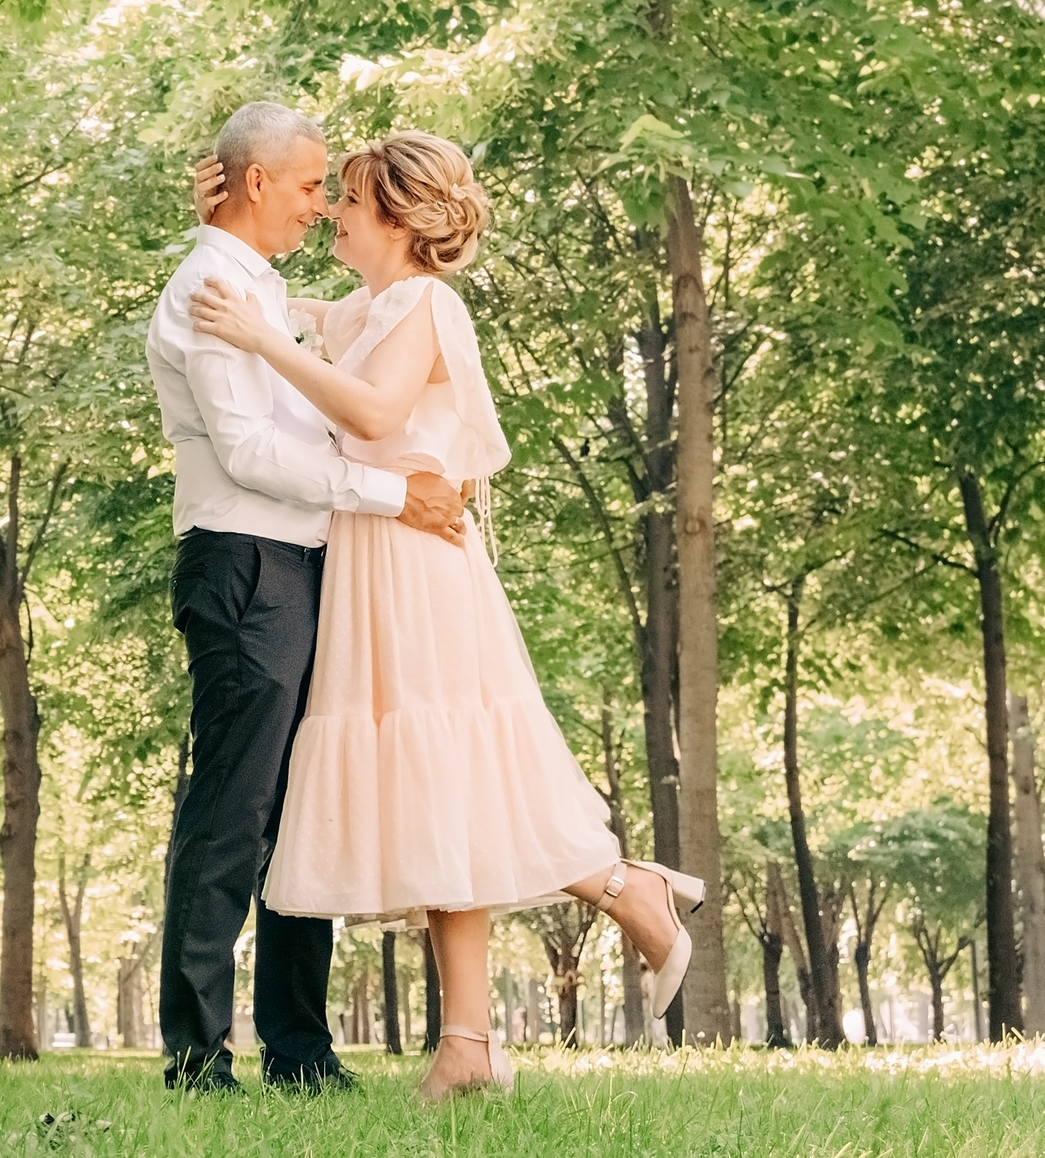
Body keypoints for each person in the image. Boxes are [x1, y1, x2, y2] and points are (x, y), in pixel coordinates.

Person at [188, 129, 705, 1099]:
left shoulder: (424, 303)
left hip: (418, 563)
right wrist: (221, 231)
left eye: (345, 198)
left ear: (393, 215)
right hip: (372, 558)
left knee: (449, 772)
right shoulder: (371, 305)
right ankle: (467, 1044)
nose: (331, 213)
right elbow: (271, 298)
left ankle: (621, 884)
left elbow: (375, 415)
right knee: (428, 794)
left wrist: (261, 339)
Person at [145, 102, 470, 1094]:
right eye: (302, 185)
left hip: (299, 562)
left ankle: (300, 1050)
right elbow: (247, 452)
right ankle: (197, 1057)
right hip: (243, 562)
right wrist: (388, 494)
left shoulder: (259, 285)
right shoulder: (210, 287)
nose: (319, 203)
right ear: (252, 184)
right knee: (233, 812)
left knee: (303, 810)